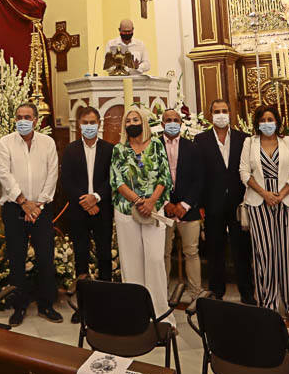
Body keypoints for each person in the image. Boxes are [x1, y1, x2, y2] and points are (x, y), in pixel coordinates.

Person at [0, 102, 62, 326]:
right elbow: (4, 174)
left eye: (27, 117)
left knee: (45, 256)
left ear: (36, 120)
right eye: (19, 116)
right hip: (15, 207)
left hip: (42, 208)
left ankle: (46, 304)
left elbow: (52, 174)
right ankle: (19, 306)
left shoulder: (48, 143)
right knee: (16, 257)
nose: (22, 120)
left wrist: (38, 205)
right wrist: (23, 202)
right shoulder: (5, 143)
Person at [110, 106, 174, 325]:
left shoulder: (156, 145)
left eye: (135, 119)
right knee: (131, 262)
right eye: (127, 121)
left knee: (155, 260)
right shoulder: (119, 149)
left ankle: (160, 313)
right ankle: (135, 313)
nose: (131, 124)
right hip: (127, 211)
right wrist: (137, 201)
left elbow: (165, 177)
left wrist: (151, 201)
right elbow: (116, 180)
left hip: (153, 210)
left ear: (144, 122)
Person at [240, 105, 289, 318]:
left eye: (271, 119)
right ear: (257, 122)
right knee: (264, 253)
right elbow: (244, 172)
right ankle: (267, 304)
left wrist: (281, 193)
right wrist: (265, 193)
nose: (267, 123)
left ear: (277, 122)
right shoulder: (249, 143)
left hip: (288, 201)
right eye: (263, 119)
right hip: (259, 202)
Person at [194, 98, 254, 303]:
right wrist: (201, 204)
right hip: (213, 203)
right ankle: (216, 292)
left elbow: (248, 169)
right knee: (215, 250)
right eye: (217, 111)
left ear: (230, 113)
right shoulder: (201, 140)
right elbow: (199, 174)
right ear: (211, 115)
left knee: (242, 251)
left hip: (238, 204)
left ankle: (247, 294)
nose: (221, 114)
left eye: (224, 111)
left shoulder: (243, 138)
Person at [61, 105, 114, 310]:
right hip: (79, 211)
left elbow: (112, 179)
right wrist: (85, 201)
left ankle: (107, 304)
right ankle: (83, 307)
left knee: (104, 255)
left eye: (93, 123)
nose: (89, 126)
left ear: (99, 124)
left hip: (102, 210)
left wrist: (96, 198)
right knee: (81, 256)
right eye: (85, 123)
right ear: (79, 125)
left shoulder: (109, 149)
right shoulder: (70, 149)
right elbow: (66, 180)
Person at [160, 107, 203, 305]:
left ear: (181, 123)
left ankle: (196, 294)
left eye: (175, 119)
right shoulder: (154, 146)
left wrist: (184, 204)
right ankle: (162, 292)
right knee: (163, 253)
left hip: (189, 208)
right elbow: (151, 179)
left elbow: (199, 179)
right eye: (168, 119)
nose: (172, 122)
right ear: (161, 124)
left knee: (191, 252)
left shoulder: (192, 147)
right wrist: (166, 203)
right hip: (163, 209)